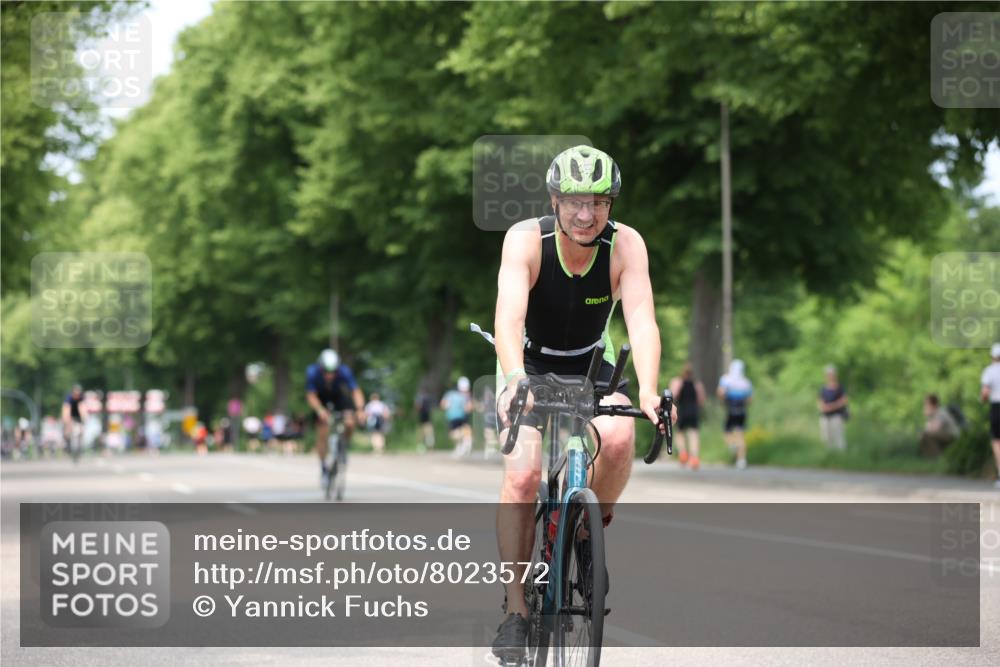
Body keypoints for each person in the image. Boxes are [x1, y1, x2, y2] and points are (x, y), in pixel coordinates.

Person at [490, 145, 673, 662]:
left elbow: (643, 321)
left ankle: (591, 534)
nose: (585, 214)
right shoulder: (526, 240)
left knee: (617, 437)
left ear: (611, 205)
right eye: (573, 202)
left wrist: (651, 391)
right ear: (554, 200)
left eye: (598, 202)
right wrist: (511, 380)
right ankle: (515, 611)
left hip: (592, 367)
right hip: (529, 365)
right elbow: (507, 318)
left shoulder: (625, 245)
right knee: (522, 477)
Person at [306, 348, 365, 489]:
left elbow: (355, 391)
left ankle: (344, 446)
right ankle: (323, 467)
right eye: (326, 372)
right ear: (321, 368)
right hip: (320, 399)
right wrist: (320, 410)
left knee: (350, 421)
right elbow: (311, 395)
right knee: (323, 431)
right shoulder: (312, 372)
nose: (329, 375)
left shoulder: (344, 371)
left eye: (333, 372)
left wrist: (360, 410)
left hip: (338, 397)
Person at [669, 362, 706, 469]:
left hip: (682, 410)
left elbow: (673, 395)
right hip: (694, 411)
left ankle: (683, 453)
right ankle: (694, 457)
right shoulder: (697, 384)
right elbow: (701, 399)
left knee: (680, 433)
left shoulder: (677, 382)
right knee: (693, 434)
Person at [718, 359, 753, 469]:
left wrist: (724, 402)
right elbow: (749, 399)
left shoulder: (726, 379)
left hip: (731, 409)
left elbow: (720, 393)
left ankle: (732, 445)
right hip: (742, 411)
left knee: (726, 431)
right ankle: (741, 460)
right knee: (741, 435)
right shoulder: (746, 382)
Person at [981, 343, 1000, 488]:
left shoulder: (989, 371)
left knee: (997, 442)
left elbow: (985, 393)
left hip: (996, 407)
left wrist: (982, 399)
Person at [817, 364, 849, 451]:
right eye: (828, 374)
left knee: (838, 436)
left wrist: (832, 406)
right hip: (825, 416)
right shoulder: (823, 388)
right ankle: (829, 455)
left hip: (836, 416)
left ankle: (841, 455)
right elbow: (819, 401)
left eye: (831, 374)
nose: (829, 376)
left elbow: (844, 400)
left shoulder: (840, 387)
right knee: (826, 437)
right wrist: (823, 407)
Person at [441, 377, 473, 458]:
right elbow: (468, 408)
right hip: (461, 416)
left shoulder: (450, 394)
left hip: (452, 417)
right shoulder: (465, 395)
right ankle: (464, 442)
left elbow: (443, 404)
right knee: (460, 431)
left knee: (453, 434)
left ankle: (465, 440)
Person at [61, 384, 88, 458]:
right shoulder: (69, 398)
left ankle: (80, 447)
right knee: (67, 431)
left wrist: (84, 418)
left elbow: (83, 408)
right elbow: (66, 408)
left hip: (78, 416)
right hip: (71, 415)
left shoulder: (81, 398)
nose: (77, 394)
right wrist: (66, 420)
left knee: (81, 431)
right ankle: (67, 446)